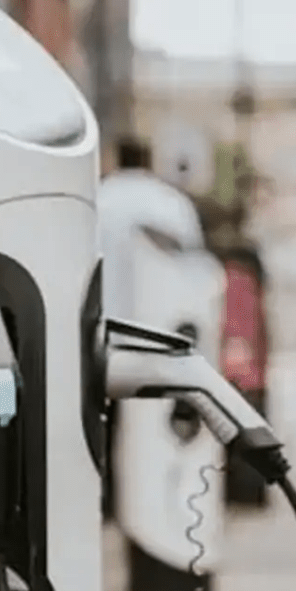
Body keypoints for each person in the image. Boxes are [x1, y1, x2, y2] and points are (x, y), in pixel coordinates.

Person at [96, 135, 205, 520]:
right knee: (150, 436)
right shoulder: (170, 203)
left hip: (101, 334)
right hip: (156, 335)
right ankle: (146, 509)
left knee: (101, 426)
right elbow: (194, 276)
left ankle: (104, 502)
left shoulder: (98, 199)